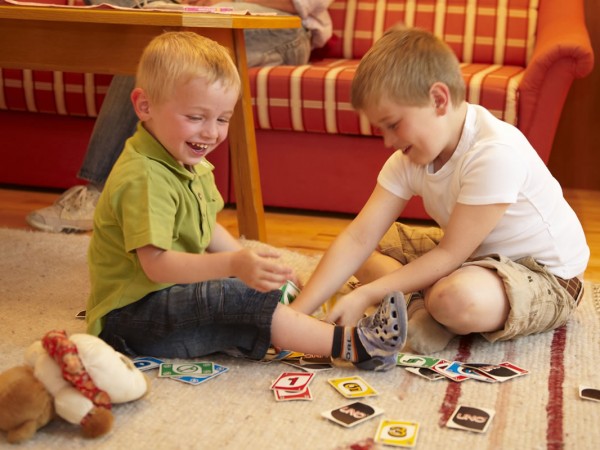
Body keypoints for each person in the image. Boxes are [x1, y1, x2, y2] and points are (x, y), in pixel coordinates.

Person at [86, 31, 406, 372]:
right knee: (236, 294)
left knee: (247, 292)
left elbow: (204, 229)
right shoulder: (144, 176)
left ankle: (281, 326)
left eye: (222, 119)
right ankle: (357, 345)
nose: (211, 133)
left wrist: (249, 262)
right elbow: (157, 265)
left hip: (170, 301)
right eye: (195, 117)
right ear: (145, 106)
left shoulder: (186, 162)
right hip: (132, 321)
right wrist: (233, 266)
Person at [290, 26, 590, 355]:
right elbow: (358, 238)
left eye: (393, 125)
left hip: (545, 276)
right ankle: (421, 310)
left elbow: (449, 255)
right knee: (361, 254)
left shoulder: (494, 152)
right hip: (472, 257)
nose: (388, 141)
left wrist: (366, 294)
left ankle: (429, 306)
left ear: (438, 100)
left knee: (455, 299)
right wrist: (295, 316)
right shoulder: (408, 158)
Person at [26, 0, 333, 233]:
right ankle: (130, 198)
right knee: (151, 19)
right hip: (191, 9)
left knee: (157, 46)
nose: (211, 132)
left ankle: (100, 193)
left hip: (278, 23)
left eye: (220, 120)